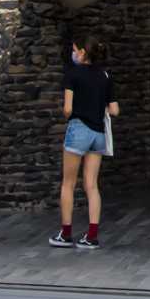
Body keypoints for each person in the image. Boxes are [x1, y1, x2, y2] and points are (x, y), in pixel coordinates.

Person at [49, 35, 118, 250]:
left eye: (75, 49)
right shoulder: (105, 75)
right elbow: (115, 110)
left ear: (82, 53)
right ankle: (92, 236)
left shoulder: (73, 74)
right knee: (92, 185)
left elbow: (68, 109)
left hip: (79, 129)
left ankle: (66, 233)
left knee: (68, 183)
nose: (74, 53)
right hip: (98, 133)